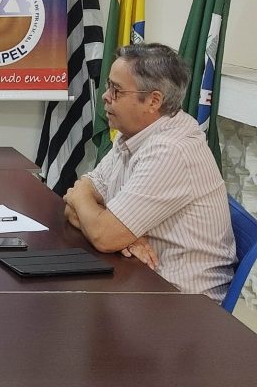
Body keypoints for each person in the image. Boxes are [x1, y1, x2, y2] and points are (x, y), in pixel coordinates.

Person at [63, 43, 235, 301]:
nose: (105, 97)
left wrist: (83, 202)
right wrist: (126, 238)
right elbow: (78, 204)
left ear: (153, 101)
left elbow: (102, 234)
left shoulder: (171, 150)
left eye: (116, 90)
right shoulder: (135, 136)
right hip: (142, 281)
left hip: (182, 306)